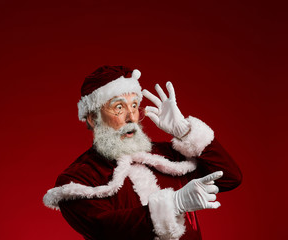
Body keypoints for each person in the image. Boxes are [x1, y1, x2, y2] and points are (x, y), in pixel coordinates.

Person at [43, 65, 242, 240]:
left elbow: (229, 177)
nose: (131, 116)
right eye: (119, 107)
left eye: (135, 106)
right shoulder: (78, 178)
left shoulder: (168, 156)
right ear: (93, 119)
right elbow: (103, 229)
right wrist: (172, 205)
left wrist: (186, 131)